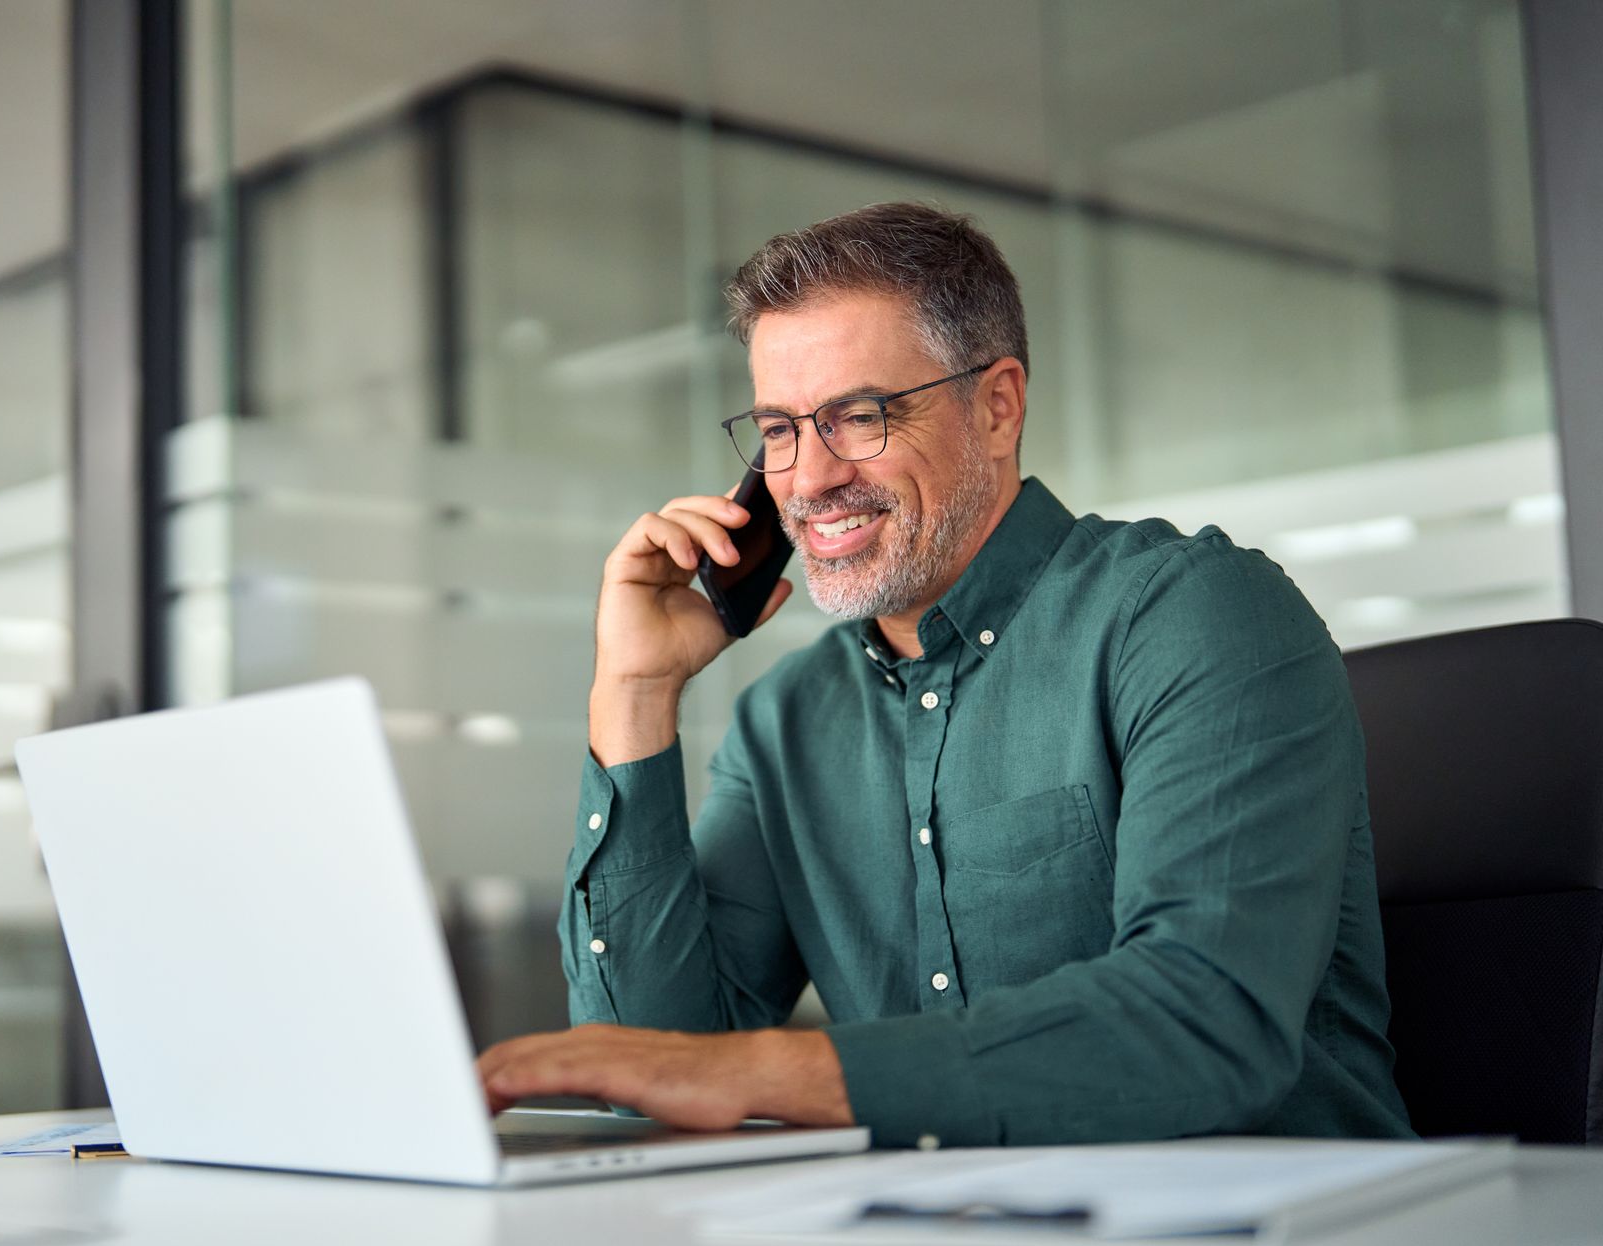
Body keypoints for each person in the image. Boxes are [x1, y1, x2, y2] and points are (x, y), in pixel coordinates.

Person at [475, 203, 1413, 1148]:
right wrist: (633, 693)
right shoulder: (785, 722)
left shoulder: (1191, 615)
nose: (806, 479)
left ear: (997, 406)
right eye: (781, 430)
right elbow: (658, 1062)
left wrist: (775, 1071)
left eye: (859, 416)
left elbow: (1203, 1022)